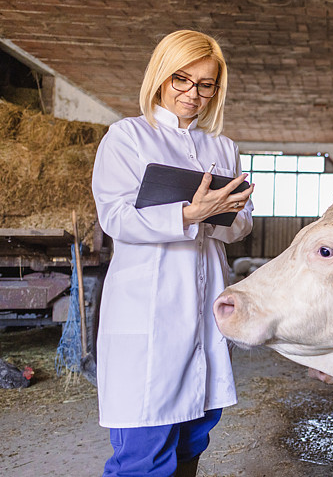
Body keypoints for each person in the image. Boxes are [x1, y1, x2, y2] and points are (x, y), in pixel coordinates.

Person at [91, 30, 254, 477]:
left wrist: (217, 215)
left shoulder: (223, 148)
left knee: (193, 439)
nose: (192, 94)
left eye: (206, 84)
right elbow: (116, 217)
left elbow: (242, 224)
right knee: (144, 455)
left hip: (204, 314)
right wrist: (189, 214)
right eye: (181, 79)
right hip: (148, 316)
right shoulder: (127, 137)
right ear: (160, 76)